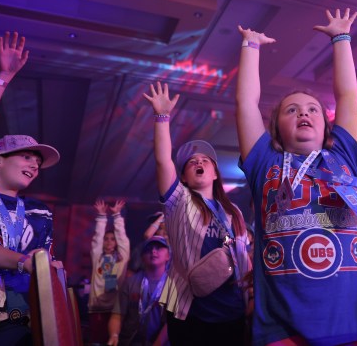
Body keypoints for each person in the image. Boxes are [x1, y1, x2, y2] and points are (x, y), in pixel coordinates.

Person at [235, 8, 357, 345]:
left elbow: (347, 96)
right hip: (284, 321)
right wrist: (250, 47)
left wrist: (341, 39)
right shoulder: (265, 161)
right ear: (275, 127)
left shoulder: (344, 154)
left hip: (356, 315)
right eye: (292, 110)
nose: (303, 113)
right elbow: (246, 103)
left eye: (312, 109)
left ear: (326, 124)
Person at [0, 32, 61, 344]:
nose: (34, 164)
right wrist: (2, 77)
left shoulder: (40, 212)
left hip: (25, 323)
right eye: (27, 156)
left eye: (38, 162)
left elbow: (43, 266)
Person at [144, 81, 251, 346]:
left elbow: (243, 255)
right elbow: (162, 160)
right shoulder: (178, 199)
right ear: (183, 177)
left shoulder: (233, 210)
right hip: (188, 310)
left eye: (205, 160)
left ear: (215, 173)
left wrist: (250, 295)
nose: (199, 162)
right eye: (192, 162)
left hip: (231, 311)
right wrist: (162, 116)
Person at [108, 236, 171, 346]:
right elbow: (117, 315)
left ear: (168, 256)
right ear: (142, 257)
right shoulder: (130, 282)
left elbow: (171, 324)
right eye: (149, 248)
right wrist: (114, 335)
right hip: (130, 342)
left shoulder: (173, 286)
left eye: (159, 248)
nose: (153, 251)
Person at [88, 199, 131, 344]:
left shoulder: (121, 259)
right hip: (98, 309)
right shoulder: (97, 258)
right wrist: (101, 216)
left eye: (113, 239)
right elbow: (97, 238)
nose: (109, 241)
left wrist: (117, 216)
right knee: (97, 342)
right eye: (106, 239)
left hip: (115, 310)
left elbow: (123, 240)